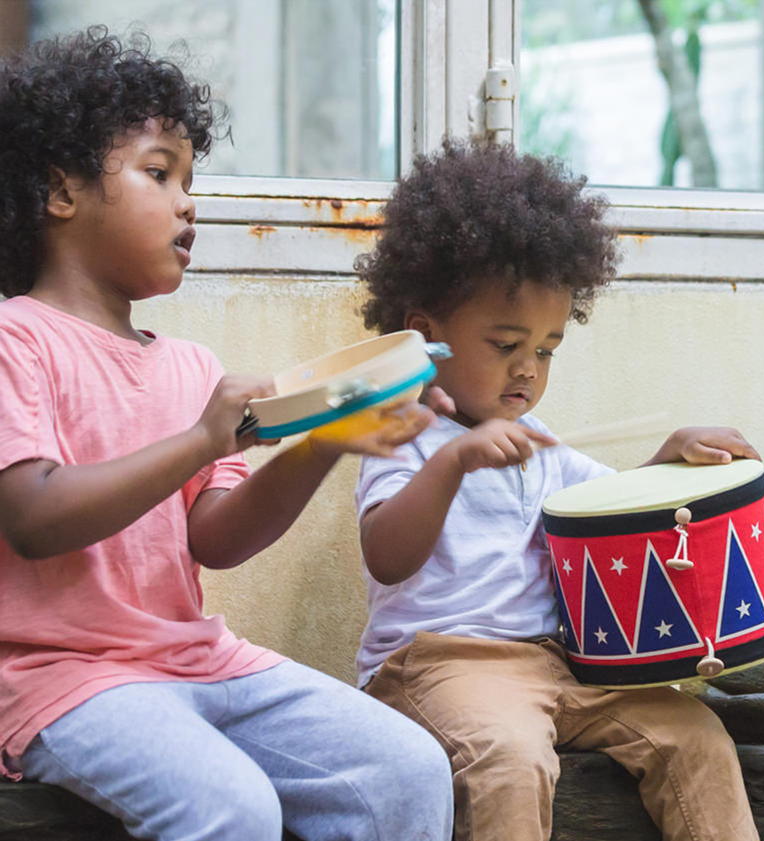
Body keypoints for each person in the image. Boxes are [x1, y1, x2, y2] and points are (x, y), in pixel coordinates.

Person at [0, 28, 454, 841]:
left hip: (198, 660)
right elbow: (33, 517)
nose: (187, 202)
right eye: (158, 172)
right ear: (61, 192)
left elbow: (215, 539)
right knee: (231, 807)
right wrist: (200, 441)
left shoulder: (190, 366)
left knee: (404, 771)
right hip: (60, 678)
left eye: (189, 179)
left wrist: (322, 442)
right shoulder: (16, 340)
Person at [354, 139, 762, 841]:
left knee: (697, 737)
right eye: (505, 344)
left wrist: (666, 459)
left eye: (544, 350)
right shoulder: (403, 430)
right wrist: (453, 464)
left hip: (561, 662)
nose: (527, 370)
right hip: (441, 663)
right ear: (426, 335)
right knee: (511, 763)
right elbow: (386, 553)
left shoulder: (535, 438)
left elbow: (605, 512)